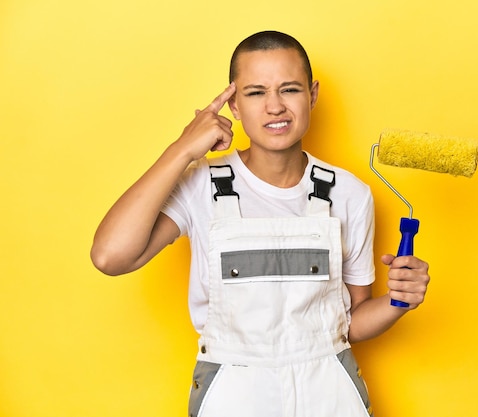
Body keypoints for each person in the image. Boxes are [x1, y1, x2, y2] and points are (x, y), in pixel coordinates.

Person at [91, 30, 430, 417]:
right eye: (255, 93)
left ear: (312, 94)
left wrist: (399, 301)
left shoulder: (349, 194)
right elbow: (110, 256)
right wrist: (182, 149)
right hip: (232, 391)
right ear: (233, 105)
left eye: (289, 90)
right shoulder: (202, 184)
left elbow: (350, 322)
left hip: (329, 389)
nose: (274, 107)